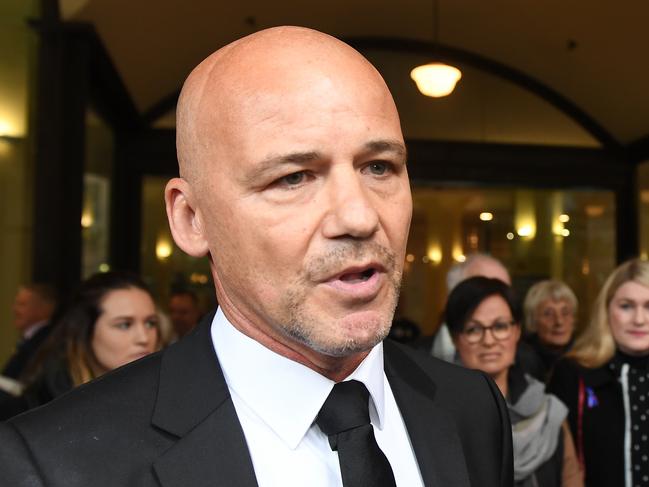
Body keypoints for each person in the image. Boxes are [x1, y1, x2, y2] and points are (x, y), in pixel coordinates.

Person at [0, 27, 513, 486]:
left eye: (379, 167)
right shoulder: (54, 464)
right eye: (292, 177)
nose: (358, 217)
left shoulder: (470, 408)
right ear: (191, 219)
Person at [448, 277, 582, 487]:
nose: (489, 340)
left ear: (517, 331)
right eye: (474, 329)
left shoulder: (548, 414)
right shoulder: (436, 416)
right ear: (455, 338)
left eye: (500, 326)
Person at [0, 271, 160, 419]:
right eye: (124, 325)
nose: (143, 338)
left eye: (150, 323)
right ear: (86, 331)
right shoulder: (48, 408)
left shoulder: (164, 393)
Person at [548, 258, 649, 487]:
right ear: (606, 310)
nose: (639, 319)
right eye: (626, 306)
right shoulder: (574, 374)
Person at [428, 253, 512, 363]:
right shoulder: (417, 357)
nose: (495, 300)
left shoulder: (524, 359)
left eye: (503, 291)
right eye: (482, 291)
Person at [523, 280, 578, 381]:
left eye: (565, 313)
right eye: (548, 314)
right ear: (533, 321)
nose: (559, 321)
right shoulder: (521, 363)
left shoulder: (586, 359)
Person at [2, 283, 58, 380]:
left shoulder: (48, 341)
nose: (15, 309)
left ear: (44, 308)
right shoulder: (30, 339)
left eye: (22, 304)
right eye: (16, 304)